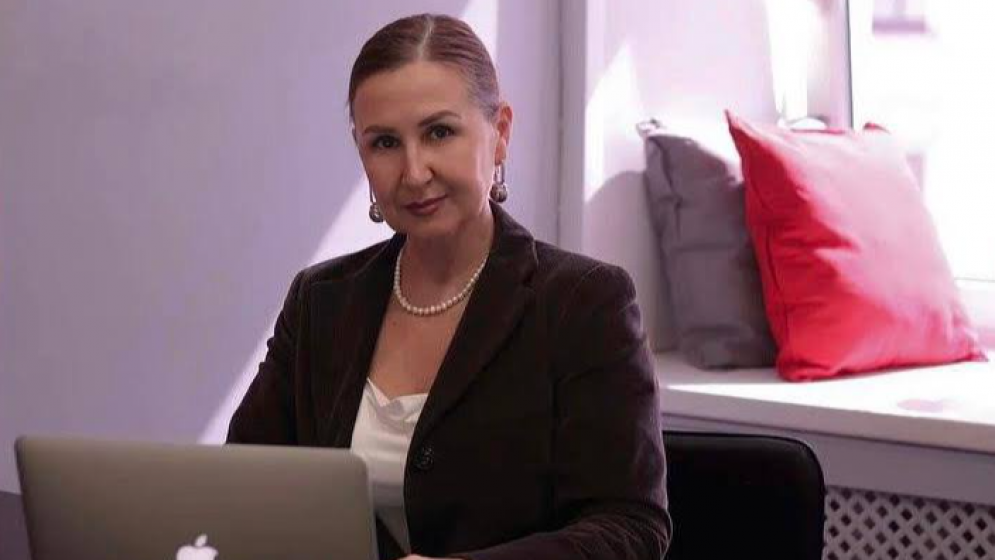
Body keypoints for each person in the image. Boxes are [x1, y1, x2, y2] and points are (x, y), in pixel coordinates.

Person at [227, 13, 671, 560]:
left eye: (439, 132)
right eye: (384, 143)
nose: (414, 173)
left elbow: (630, 528)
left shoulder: (586, 303)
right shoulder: (320, 300)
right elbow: (241, 488)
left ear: (500, 133)